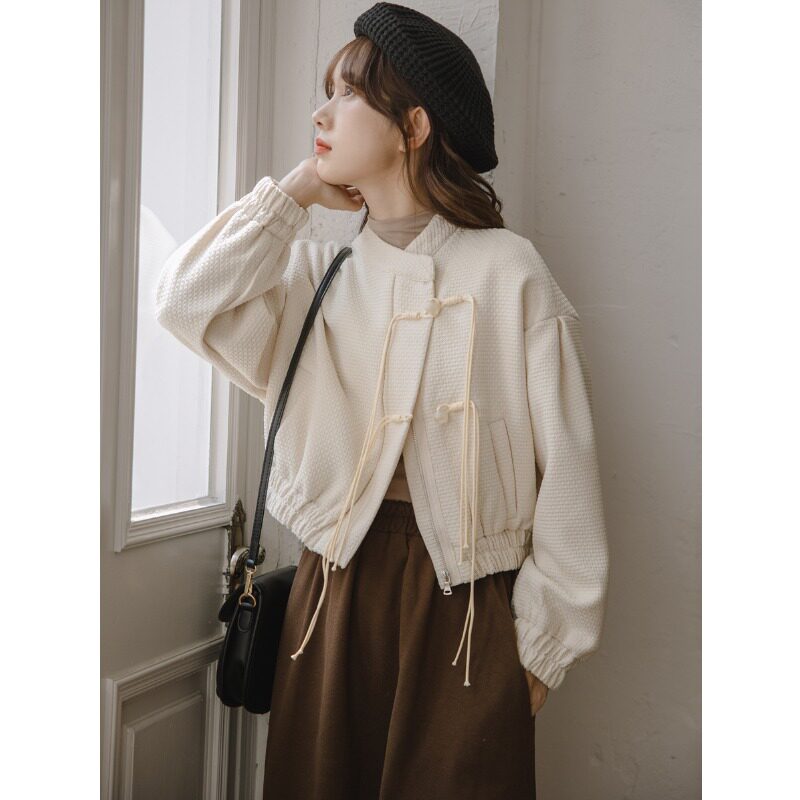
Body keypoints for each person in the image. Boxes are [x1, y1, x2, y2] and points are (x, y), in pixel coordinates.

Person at [154, 4, 609, 798]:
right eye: (325, 92)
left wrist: (539, 654)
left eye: (347, 94)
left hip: (466, 617)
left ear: (414, 126)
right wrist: (295, 194)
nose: (320, 114)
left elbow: (570, 475)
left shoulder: (510, 273)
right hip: (330, 602)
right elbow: (184, 301)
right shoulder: (312, 277)